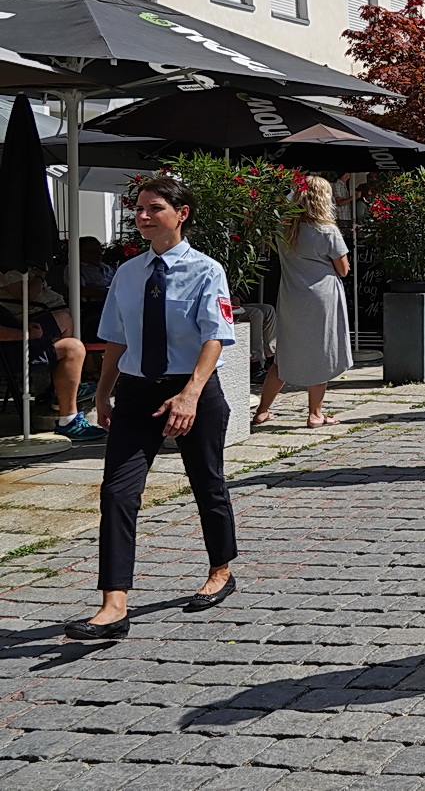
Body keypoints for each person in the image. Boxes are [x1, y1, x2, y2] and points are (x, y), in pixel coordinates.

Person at [69, 176, 240, 639]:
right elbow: (116, 339)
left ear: (181, 214)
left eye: (154, 208)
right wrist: (104, 393)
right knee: (117, 493)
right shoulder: (127, 273)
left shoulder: (207, 271)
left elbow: (216, 337)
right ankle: (114, 604)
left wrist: (189, 394)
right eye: (139, 209)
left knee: (207, 483)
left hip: (194, 390)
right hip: (137, 393)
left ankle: (221, 570)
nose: (143, 217)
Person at [253, 175, 351, 428]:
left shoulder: (285, 229)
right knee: (319, 352)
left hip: (291, 296)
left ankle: (262, 410)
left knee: (284, 355)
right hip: (321, 297)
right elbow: (343, 269)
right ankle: (315, 413)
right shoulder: (327, 230)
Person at [0, 269, 99, 441]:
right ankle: (67, 417)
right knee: (72, 348)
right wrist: (25, 334)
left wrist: (22, 326)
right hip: (7, 354)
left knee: (63, 324)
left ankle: (59, 394)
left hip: (13, 344)